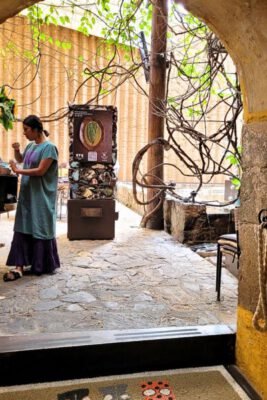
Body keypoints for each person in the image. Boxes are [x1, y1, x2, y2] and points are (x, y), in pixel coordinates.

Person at [3, 115, 60, 281]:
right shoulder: (30, 146)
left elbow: (40, 171)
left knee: (39, 226)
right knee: (23, 226)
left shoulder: (49, 148)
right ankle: (19, 265)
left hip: (41, 197)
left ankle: (40, 264)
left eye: (27, 130)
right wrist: (16, 151)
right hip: (27, 195)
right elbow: (23, 160)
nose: (25, 133)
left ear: (36, 130)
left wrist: (17, 170)